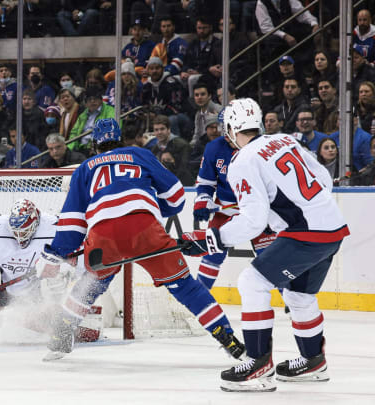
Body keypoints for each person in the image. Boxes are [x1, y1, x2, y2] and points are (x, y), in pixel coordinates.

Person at [37, 118, 245, 361]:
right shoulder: (138, 154)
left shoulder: (85, 167)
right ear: (122, 139)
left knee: (93, 280)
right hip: (145, 228)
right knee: (185, 286)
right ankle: (227, 338)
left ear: (94, 144)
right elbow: (177, 197)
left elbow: (72, 222)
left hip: (103, 233)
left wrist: (59, 252)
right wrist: (152, 210)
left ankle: (61, 334)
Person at [179, 98, 349, 392]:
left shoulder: (242, 160)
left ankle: (258, 364)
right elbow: (323, 177)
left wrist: (212, 238)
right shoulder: (284, 139)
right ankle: (313, 361)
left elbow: (253, 221)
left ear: (231, 128)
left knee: (251, 282)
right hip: (332, 227)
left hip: (305, 233)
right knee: (299, 296)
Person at [0, 199, 96, 341]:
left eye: (23, 231)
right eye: (15, 231)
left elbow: (78, 262)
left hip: (39, 295)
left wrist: (61, 269)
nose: (19, 236)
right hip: (8, 293)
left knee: (54, 279)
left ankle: (62, 321)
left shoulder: (55, 228)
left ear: (35, 224)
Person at [192, 113, 276, 290]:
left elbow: (274, 186)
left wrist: (272, 214)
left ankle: (293, 304)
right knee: (212, 254)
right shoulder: (214, 148)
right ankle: (198, 298)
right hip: (226, 209)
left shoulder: (262, 147)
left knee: (271, 257)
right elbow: (206, 182)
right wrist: (203, 201)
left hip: (257, 209)